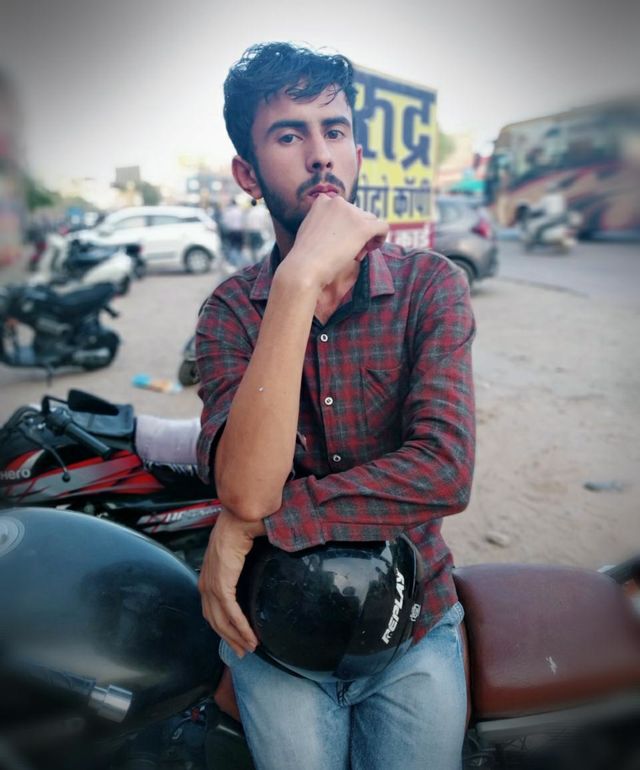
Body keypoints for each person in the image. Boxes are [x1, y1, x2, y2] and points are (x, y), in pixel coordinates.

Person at [195, 42, 476, 770]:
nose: (320, 154)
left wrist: (252, 524)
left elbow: (443, 470)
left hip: (415, 624)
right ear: (248, 174)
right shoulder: (229, 312)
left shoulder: (431, 286)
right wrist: (296, 283)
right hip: (275, 637)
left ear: (356, 154)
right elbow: (246, 485)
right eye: (290, 135)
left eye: (335, 130)